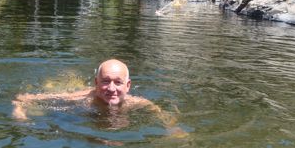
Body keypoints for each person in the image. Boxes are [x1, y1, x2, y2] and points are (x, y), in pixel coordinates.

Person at [12, 59, 187, 137]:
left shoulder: (137, 102)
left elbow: (158, 111)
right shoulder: (79, 98)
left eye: (118, 82)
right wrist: (19, 112)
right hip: (77, 94)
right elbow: (23, 98)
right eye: (105, 82)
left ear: (128, 86)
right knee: (56, 85)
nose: (111, 88)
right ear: (96, 83)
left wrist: (173, 128)